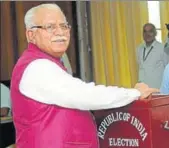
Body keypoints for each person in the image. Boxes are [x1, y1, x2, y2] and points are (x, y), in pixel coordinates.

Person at [10, 4, 158, 148]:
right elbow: (86, 95)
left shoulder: (51, 63)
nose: (60, 32)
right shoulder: (37, 67)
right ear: (31, 35)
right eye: (50, 27)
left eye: (64, 26)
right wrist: (135, 93)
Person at [136, 23, 169, 89]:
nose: (147, 34)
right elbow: (141, 68)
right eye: (145, 31)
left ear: (155, 33)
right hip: (143, 90)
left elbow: (168, 68)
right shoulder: (139, 48)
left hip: (158, 90)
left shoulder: (162, 48)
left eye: (150, 31)